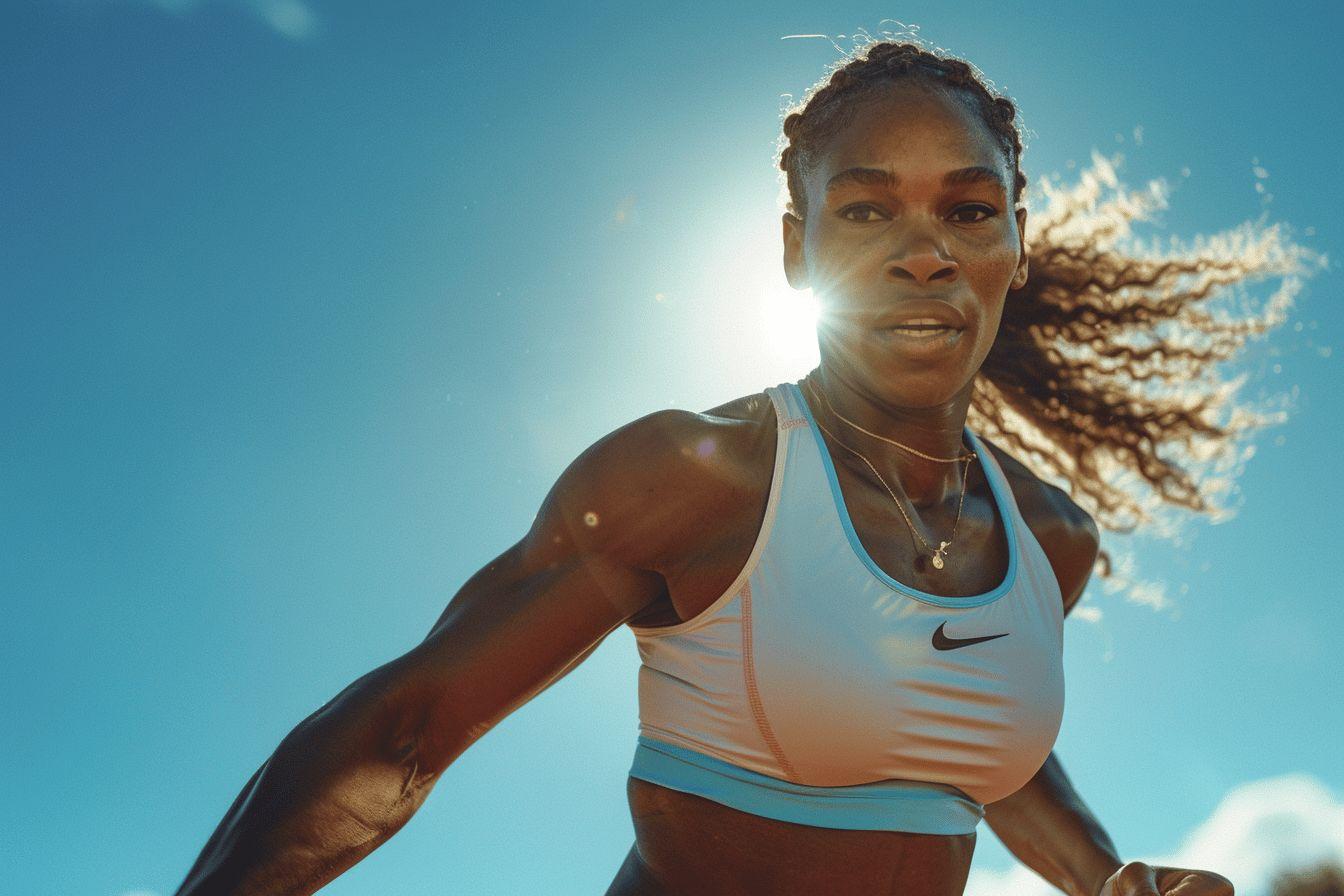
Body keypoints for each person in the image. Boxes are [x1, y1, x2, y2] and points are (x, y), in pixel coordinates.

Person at [174, 36, 1315, 896]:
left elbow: (984, 750)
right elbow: (405, 728)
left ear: (1014, 239)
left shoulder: (1051, 538)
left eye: (968, 209)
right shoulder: (699, 475)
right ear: (793, 248)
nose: (923, 252)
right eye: (866, 209)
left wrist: (1109, 877)